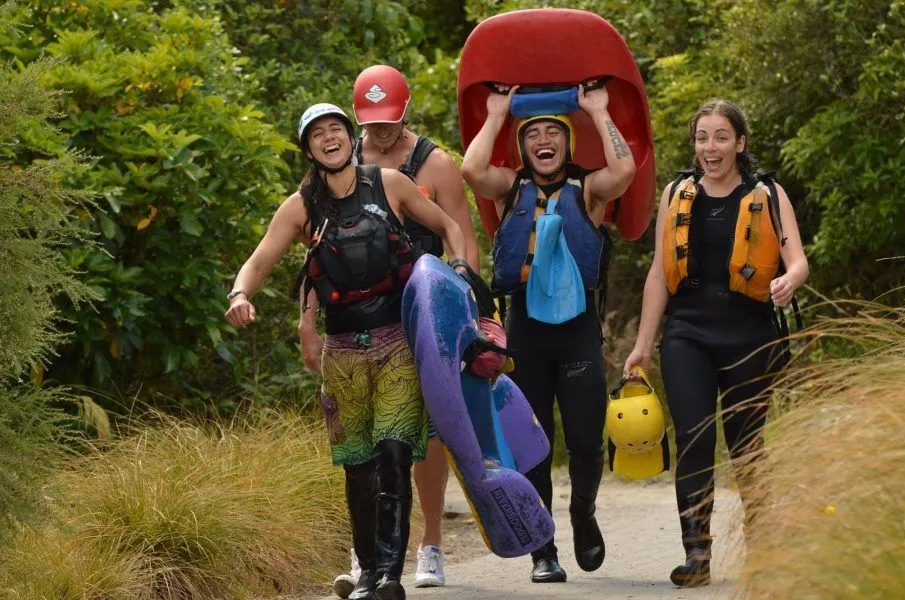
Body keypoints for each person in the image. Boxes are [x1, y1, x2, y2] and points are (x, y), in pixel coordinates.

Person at [226, 102, 468, 600]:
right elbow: (259, 260)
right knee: (359, 465)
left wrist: (459, 275)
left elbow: (449, 227)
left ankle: (390, 577)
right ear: (308, 148)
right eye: (318, 134)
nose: (330, 137)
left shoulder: (390, 182)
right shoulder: (301, 207)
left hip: (398, 340)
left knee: (396, 454)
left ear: (348, 138)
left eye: (337, 128)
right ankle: (367, 574)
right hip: (342, 352)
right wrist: (239, 295)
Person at [623, 100, 809, 587]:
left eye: (721, 136)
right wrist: (643, 345)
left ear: (739, 143)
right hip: (687, 336)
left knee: (747, 445)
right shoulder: (676, 194)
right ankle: (696, 554)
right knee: (694, 441)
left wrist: (790, 280)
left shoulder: (767, 193)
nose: (711, 147)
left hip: (751, 335)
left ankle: (762, 547)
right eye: (702, 137)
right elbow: (660, 276)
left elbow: (798, 260)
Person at [313, 64, 481, 596]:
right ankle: (367, 554)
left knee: (423, 432)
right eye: (370, 122)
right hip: (369, 310)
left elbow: (462, 235)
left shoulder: (434, 163)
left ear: (405, 112)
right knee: (366, 438)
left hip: (426, 303)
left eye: (388, 121)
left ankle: (429, 542)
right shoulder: (343, 159)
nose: (379, 131)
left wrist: (465, 299)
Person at [461, 84, 636, 583]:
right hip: (526, 331)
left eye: (552, 133)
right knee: (533, 441)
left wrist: (598, 110)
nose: (543, 140)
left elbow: (624, 170)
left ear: (566, 144)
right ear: (522, 147)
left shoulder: (591, 189)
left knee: (584, 440)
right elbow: (471, 169)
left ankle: (583, 513)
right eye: (533, 133)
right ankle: (543, 546)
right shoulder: (509, 188)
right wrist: (496, 114)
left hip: (577, 331)